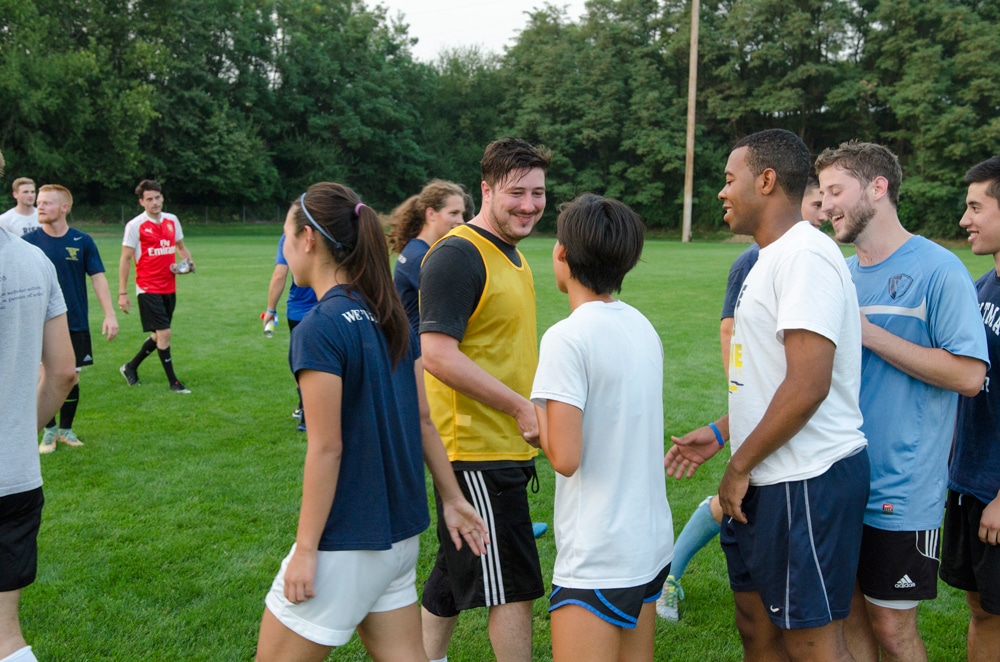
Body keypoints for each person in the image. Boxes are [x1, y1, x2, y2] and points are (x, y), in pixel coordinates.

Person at [254, 183, 488, 662]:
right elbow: (424, 420)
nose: (285, 247)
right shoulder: (389, 316)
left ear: (308, 240)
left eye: (285, 236)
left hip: (347, 542)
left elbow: (326, 448)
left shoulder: (321, 326)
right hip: (399, 538)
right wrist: (452, 499)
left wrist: (305, 549)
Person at [665, 129, 870, 661]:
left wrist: (739, 467)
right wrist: (720, 436)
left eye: (730, 179)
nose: (721, 191)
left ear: (767, 179)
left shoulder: (806, 257)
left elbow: (808, 384)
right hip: (762, 477)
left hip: (805, 480)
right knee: (756, 626)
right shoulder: (768, 260)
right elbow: (767, 377)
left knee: (812, 642)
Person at [815, 142, 989, 662]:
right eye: (821, 195)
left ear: (877, 187)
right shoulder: (838, 273)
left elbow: (969, 375)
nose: (825, 207)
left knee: (893, 629)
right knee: (846, 619)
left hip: (901, 488)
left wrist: (868, 333)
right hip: (837, 477)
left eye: (835, 191)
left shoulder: (939, 269)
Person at [656, 174, 827, 622]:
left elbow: (812, 378)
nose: (823, 214)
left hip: (808, 446)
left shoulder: (811, 258)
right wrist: (735, 411)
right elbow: (730, 329)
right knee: (736, 505)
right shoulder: (754, 261)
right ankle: (669, 577)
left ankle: (667, 576)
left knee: (739, 507)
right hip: (772, 422)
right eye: (816, 204)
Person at [418, 137, 551, 662]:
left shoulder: (511, 254)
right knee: (511, 585)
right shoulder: (458, 254)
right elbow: (437, 354)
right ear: (486, 189)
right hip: (476, 450)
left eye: (538, 193)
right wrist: (520, 408)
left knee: (453, 573)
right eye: (516, 192)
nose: (529, 205)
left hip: (501, 448)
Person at [531, 194, 673, 661]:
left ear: (562, 255)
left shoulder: (566, 337)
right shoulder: (642, 325)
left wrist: (536, 425)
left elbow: (566, 459)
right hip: (648, 543)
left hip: (599, 553)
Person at [0, 170, 78, 660]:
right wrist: (15, 433)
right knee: (6, 633)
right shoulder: (33, 260)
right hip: (16, 478)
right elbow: (64, 372)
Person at [940, 155, 1000, 662]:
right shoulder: (981, 288)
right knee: (981, 609)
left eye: (976, 207)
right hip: (969, 483)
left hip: (997, 492)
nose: (965, 220)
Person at [23, 185, 118, 452]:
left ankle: (66, 430)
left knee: (71, 378)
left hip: (75, 320)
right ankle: (48, 431)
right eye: (38, 202)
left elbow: (98, 278)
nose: (39, 207)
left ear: (65, 207)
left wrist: (110, 314)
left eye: (47, 203)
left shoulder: (82, 241)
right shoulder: (29, 242)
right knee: (45, 376)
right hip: (41, 322)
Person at [118, 179, 195, 393]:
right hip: (147, 287)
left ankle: (130, 367)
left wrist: (187, 263)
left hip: (169, 287)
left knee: (159, 335)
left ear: (162, 198)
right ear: (142, 202)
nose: (155, 202)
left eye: (157, 197)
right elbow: (125, 259)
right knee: (165, 332)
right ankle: (174, 383)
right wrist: (122, 293)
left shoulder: (172, 220)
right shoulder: (135, 226)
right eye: (149, 199)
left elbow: (180, 247)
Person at [388, 179, 466, 334]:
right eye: (453, 213)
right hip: (419, 352)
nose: (461, 221)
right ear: (431, 214)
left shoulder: (416, 249)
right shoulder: (421, 258)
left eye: (462, 214)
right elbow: (454, 308)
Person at [262, 233, 318, 430]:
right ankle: (308, 407)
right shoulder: (331, 230)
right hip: (329, 306)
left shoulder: (289, 238)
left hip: (299, 311)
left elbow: (279, 275)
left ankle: (307, 414)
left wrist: (270, 309)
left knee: (300, 361)